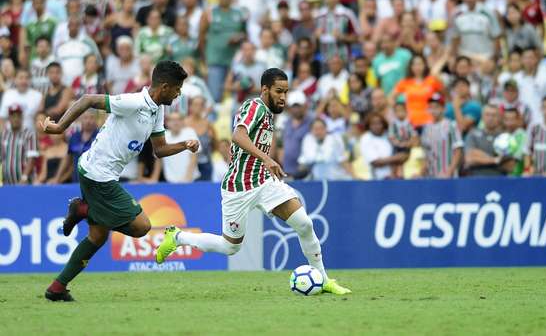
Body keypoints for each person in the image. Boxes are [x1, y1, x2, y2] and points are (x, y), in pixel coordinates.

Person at [155, 68, 351, 295]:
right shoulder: (254, 107)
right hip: (238, 187)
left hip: (264, 182)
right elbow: (238, 135)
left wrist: (263, 161)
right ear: (265, 89)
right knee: (230, 247)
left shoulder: (269, 113)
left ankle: (323, 280)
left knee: (305, 224)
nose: (283, 97)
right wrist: (266, 158)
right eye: (279, 91)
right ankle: (178, 237)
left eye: (286, 92)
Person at [42, 61, 198, 301]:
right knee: (142, 226)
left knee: (97, 237)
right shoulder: (133, 102)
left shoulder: (157, 110)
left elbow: (160, 149)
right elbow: (87, 99)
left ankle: (57, 288)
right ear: (164, 87)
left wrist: (185, 145)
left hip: (99, 173)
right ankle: (83, 209)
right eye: (177, 89)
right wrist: (60, 127)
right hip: (98, 174)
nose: (179, 94)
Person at [421, 93, 464, 178]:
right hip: (431, 175)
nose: (433, 110)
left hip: (448, 176)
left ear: (443, 108)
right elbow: (426, 152)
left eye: (436, 107)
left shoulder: (451, 125)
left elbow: (458, 151)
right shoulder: (426, 128)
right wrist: (422, 171)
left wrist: (450, 171)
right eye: (431, 107)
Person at [464, 104, 506, 177]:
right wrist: (495, 160)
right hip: (476, 177)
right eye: (487, 115)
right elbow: (470, 159)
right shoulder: (473, 134)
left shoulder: (505, 137)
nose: (490, 118)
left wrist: (479, 156)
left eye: (494, 115)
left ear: (499, 118)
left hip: (500, 178)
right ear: (482, 117)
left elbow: (509, 165)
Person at [0, 105, 38, 185]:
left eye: (18, 116)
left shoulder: (29, 134)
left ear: (22, 118)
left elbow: (32, 158)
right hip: (7, 183)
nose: (15, 119)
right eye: (13, 116)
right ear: (9, 118)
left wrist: (24, 177)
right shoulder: (4, 135)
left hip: (25, 183)